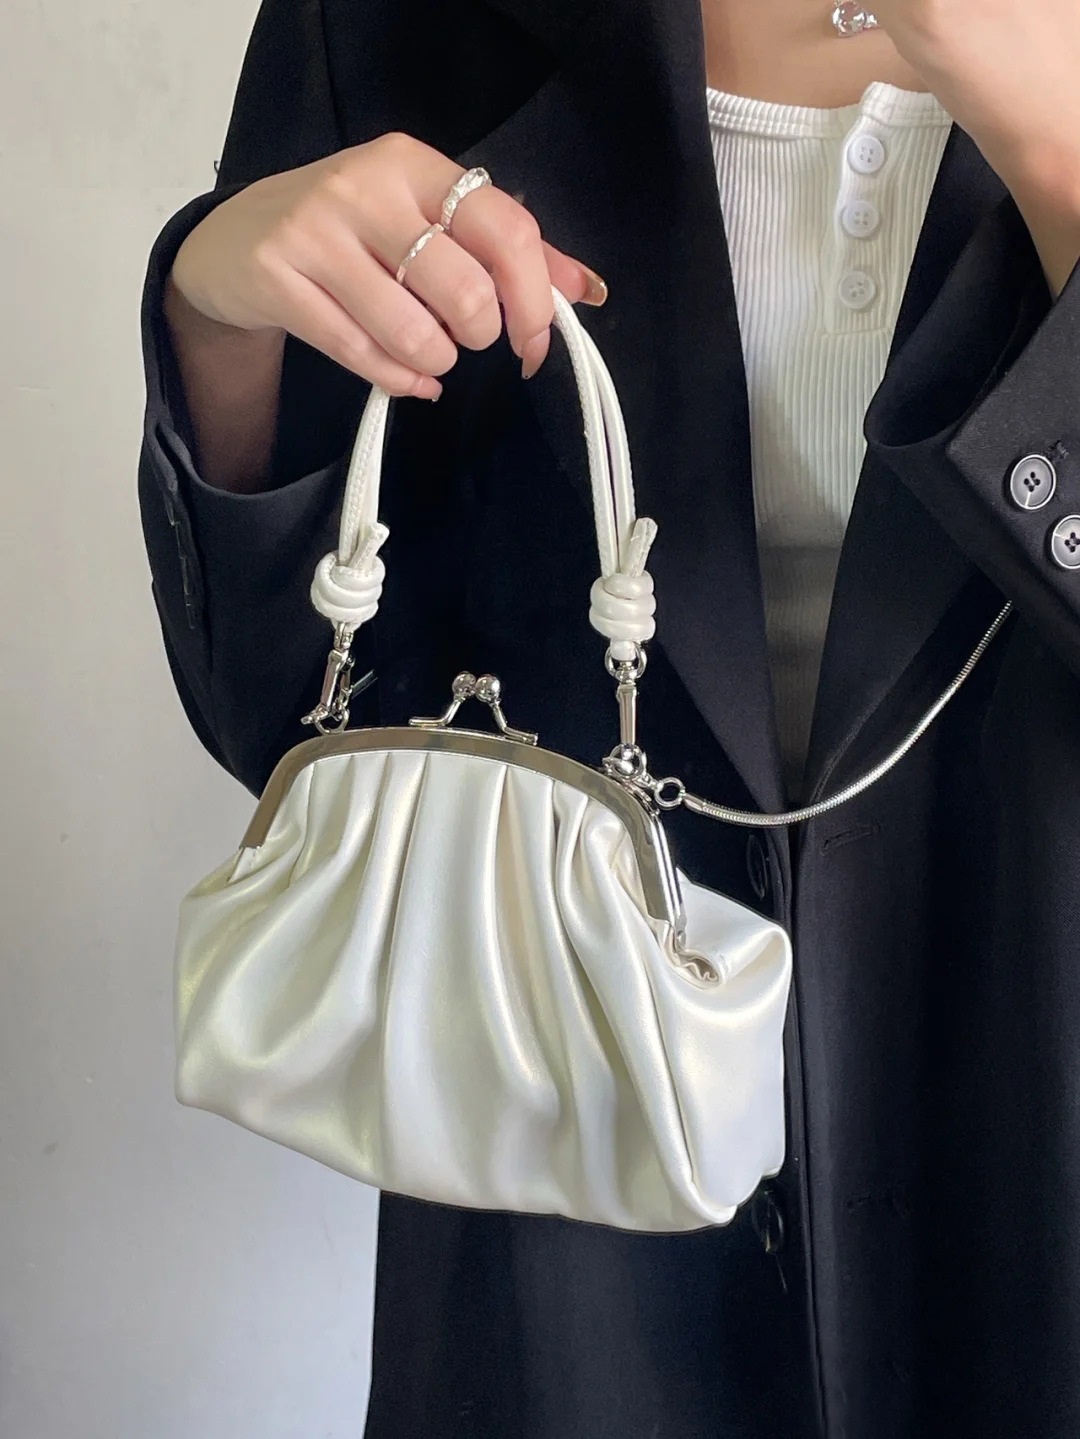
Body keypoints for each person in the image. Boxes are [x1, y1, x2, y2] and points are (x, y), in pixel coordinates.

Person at [136, 0, 1080, 1434]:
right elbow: (289, 725)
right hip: (562, 1199)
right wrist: (217, 319)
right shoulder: (383, 25)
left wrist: (1061, 156)